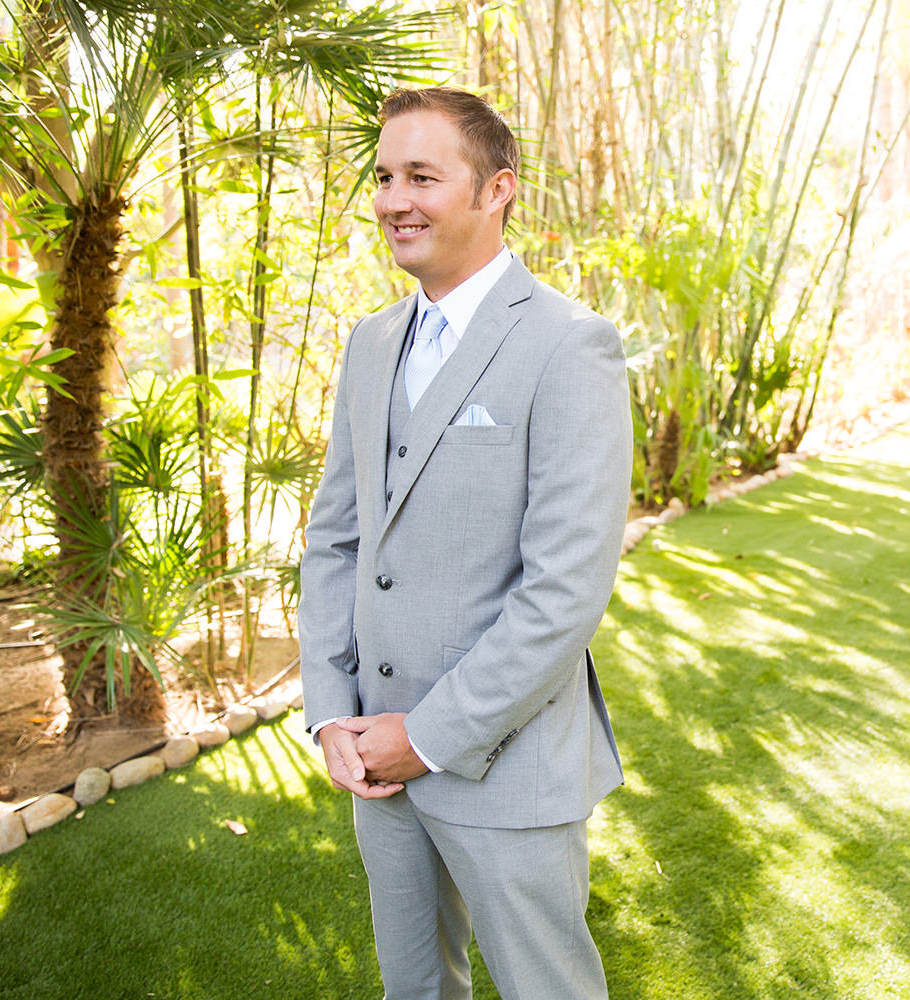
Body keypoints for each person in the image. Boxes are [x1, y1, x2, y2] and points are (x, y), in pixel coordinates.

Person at [298, 86, 630, 1000]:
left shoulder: (571, 344)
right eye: (382, 176)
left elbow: (564, 590)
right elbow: (336, 541)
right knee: (415, 988)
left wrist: (431, 736)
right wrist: (331, 712)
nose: (393, 199)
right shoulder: (369, 344)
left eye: (422, 177)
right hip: (376, 763)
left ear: (497, 192)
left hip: (504, 765)